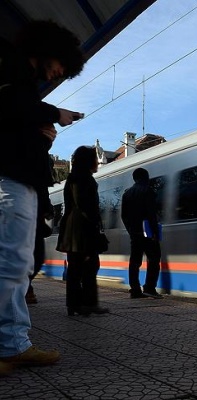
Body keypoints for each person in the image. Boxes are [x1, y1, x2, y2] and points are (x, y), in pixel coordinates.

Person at [0, 20, 85, 371]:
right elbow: (9, 106)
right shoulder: (11, 64)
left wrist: (41, 134)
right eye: (62, 64)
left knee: (15, 261)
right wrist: (54, 115)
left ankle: (11, 342)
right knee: (13, 262)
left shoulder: (21, 80)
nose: (59, 73)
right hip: (11, 179)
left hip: (18, 177)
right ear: (49, 48)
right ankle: (11, 344)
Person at [56, 146, 109, 316]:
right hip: (81, 229)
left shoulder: (72, 178)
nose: (96, 162)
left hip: (72, 228)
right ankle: (88, 303)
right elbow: (86, 205)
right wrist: (95, 226)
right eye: (94, 158)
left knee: (75, 268)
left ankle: (74, 305)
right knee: (90, 265)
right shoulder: (84, 179)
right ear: (88, 161)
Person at [121, 168, 164, 299]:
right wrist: (155, 233)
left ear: (134, 179)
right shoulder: (148, 191)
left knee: (134, 261)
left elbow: (124, 216)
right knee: (154, 259)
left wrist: (131, 231)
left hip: (134, 232)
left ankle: (135, 289)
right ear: (146, 177)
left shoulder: (126, 194)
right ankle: (149, 288)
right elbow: (151, 214)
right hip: (148, 231)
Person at [25, 186, 55, 305]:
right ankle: (25, 287)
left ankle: (26, 286)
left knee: (37, 259)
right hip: (25, 220)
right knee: (34, 258)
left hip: (36, 224)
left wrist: (47, 209)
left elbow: (44, 194)